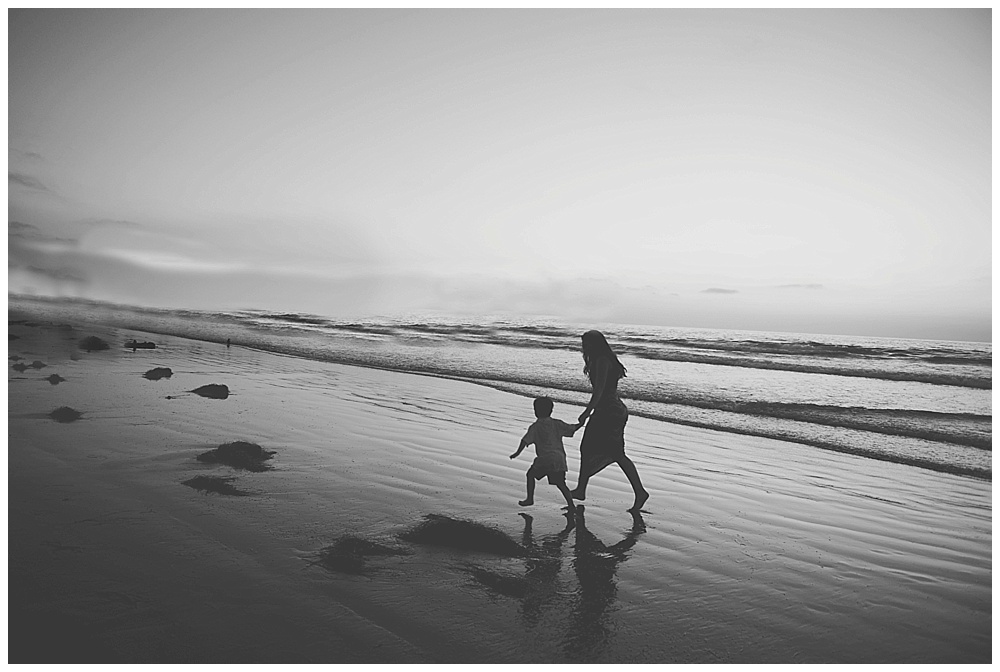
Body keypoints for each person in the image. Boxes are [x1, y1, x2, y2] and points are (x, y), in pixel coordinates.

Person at [571, 330, 649, 512]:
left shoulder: (602, 361)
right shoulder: (603, 360)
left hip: (609, 412)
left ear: (596, 344)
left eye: (588, 344)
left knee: (613, 452)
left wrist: (586, 412)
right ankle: (582, 488)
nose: (585, 348)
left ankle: (640, 492)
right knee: (599, 450)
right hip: (610, 410)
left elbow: (599, 391)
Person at [510, 397, 582, 510]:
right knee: (561, 484)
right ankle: (571, 505)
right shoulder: (557, 424)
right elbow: (572, 428)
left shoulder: (535, 427)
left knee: (530, 475)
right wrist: (581, 423)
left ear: (536, 411)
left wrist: (517, 453)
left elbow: (525, 440)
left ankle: (530, 499)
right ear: (551, 411)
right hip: (559, 459)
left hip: (545, 459)